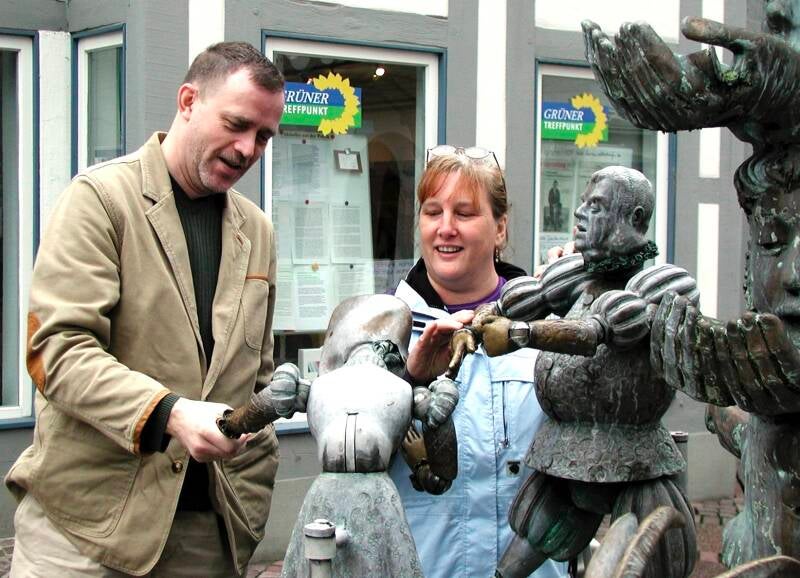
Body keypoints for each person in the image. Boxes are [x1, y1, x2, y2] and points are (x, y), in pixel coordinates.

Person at [6, 42, 285, 577]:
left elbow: (259, 379)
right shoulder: (100, 199)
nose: (248, 149)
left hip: (207, 537)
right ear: (188, 101)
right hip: (86, 538)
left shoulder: (258, 231)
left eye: (263, 136)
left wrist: (249, 506)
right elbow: (57, 351)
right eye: (236, 124)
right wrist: (170, 413)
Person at [466, 166, 699, 578]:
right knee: (528, 540)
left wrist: (522, 334)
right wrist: (486, 316)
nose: (579, 214)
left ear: (635, 219)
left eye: (597, 206)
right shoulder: (577, 274)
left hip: (635, 456)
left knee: (653, 555)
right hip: (564, 449)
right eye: (583, 203)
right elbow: (528, 297)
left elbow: (600, 330)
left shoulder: (661, 285)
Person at [388, 145, 567, 578]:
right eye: (433, 212)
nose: (446, 228)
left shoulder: (548, 330)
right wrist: (408, 380)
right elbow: (350, 451)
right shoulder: (382, 330)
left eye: (464, 213)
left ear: (500, 228)